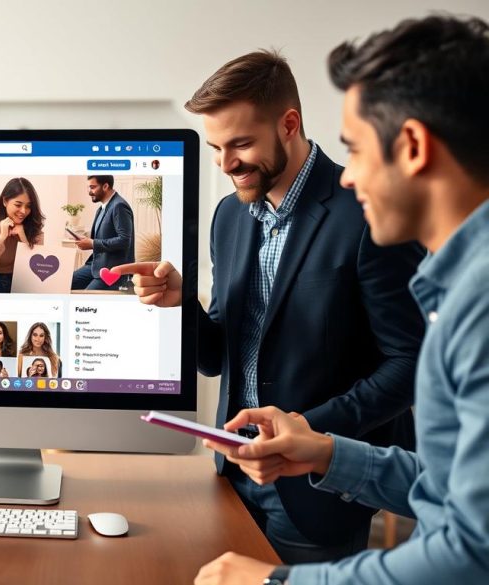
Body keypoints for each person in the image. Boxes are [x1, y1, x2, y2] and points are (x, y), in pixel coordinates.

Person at [194, 15, 489, 585]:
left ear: (411, 147)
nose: (350, 176)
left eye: (356, 148)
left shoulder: (471, 306)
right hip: (247, 475)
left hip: (318, 513)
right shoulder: (453, 292)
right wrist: (325, 451)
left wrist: (274, 583)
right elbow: (445, 489)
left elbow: (469, 551)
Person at [115, 49, 425, 563]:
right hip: (233, 475)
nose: (225, 164)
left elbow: (410, 365)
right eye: (215, 147)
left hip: (318, 490)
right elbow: (219, 355)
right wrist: (182, 305)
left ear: (289, 124)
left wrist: (309, 430)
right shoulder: (228, 217)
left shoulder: (367, 213)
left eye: (240, 144)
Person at [70, 175, 135, 290]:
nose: (89, 192)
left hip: (111, 269)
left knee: (86, 298)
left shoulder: (119, 206)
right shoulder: (101, 208)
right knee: (66, 282)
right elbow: (104, 234)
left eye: (92, 187)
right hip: (95, 266)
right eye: (88, 188)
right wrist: (85, 240)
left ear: (105, 186)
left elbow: (124, 240)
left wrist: (93, 244)